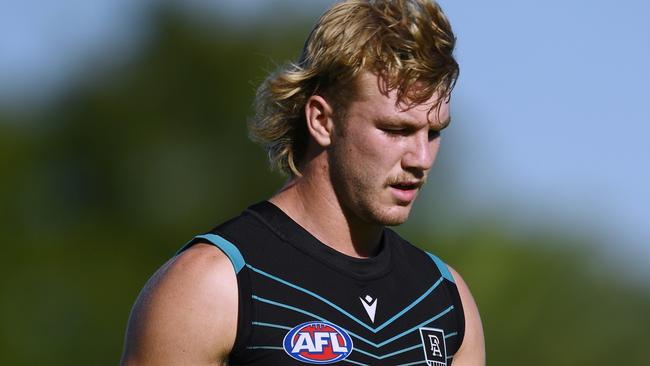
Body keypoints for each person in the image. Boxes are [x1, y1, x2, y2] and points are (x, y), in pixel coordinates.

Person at [120, 0, 485, 365]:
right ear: (322, 121)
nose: (420, 158)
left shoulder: (444, 298)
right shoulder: (212, 285)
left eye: (434, 132)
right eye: (395, 129)